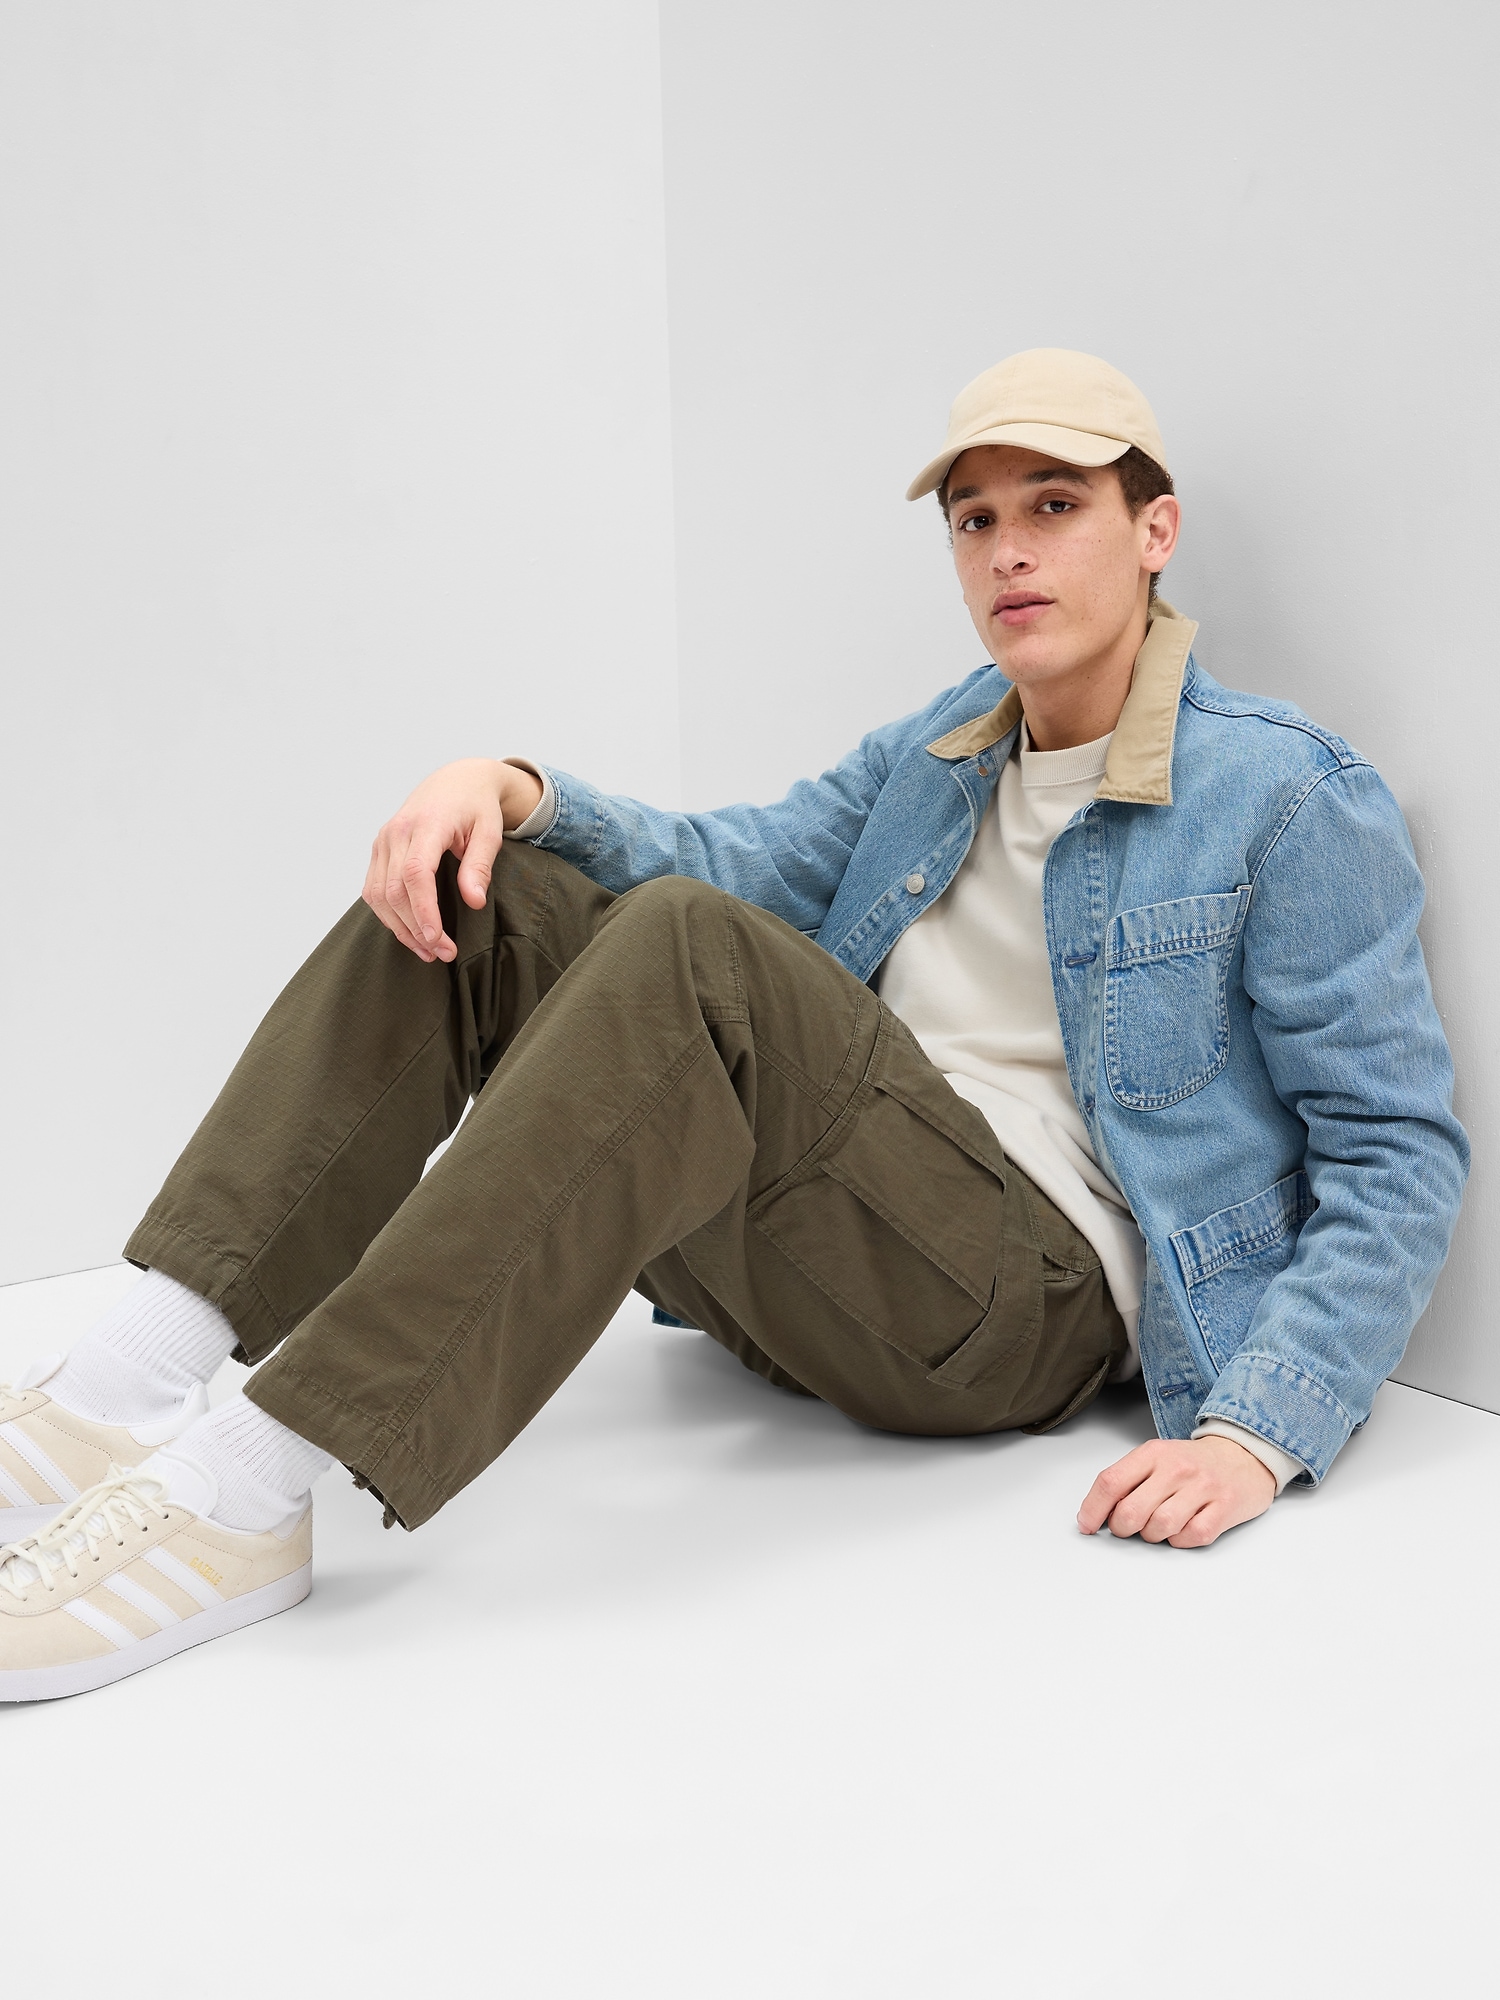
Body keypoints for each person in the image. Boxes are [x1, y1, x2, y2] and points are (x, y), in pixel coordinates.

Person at [0, 349, 1467, 1702]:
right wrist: (508, 787)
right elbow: (727, 860)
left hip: (1015, 1314)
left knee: (689, 946)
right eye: (973, 520)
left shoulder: (1288, 796)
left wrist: (1259, 1432)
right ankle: (128, 1379)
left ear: (1155, 532)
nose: (1008, 551)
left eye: (1055, 505)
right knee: (498, 893)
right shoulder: (945, 748)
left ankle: (244, 1492)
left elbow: (1396, 1152)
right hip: (818, 1262)